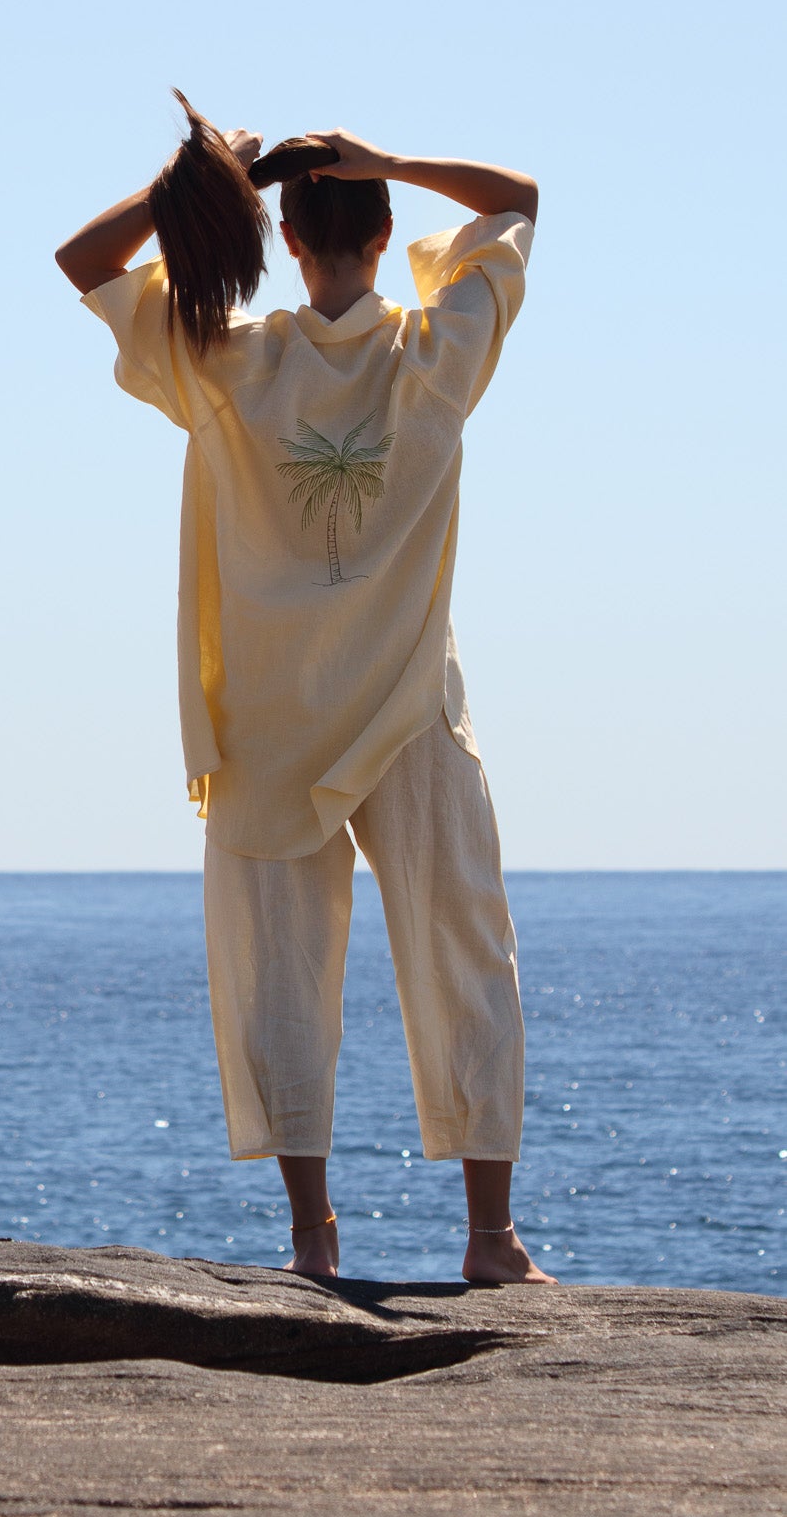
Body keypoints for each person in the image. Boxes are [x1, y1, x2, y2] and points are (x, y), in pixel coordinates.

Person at [56, 94, 554, 1285]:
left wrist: (202, 178)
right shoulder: (433, 355)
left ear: (285, 239)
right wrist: (396, 159)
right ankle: (491, 1240)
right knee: (464, 955)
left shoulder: (232, 364)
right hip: (406, 711)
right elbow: (518, 202)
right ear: (384, 234)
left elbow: (84, 263)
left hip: (272, 723)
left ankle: (313, 1243)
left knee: (279, 974)